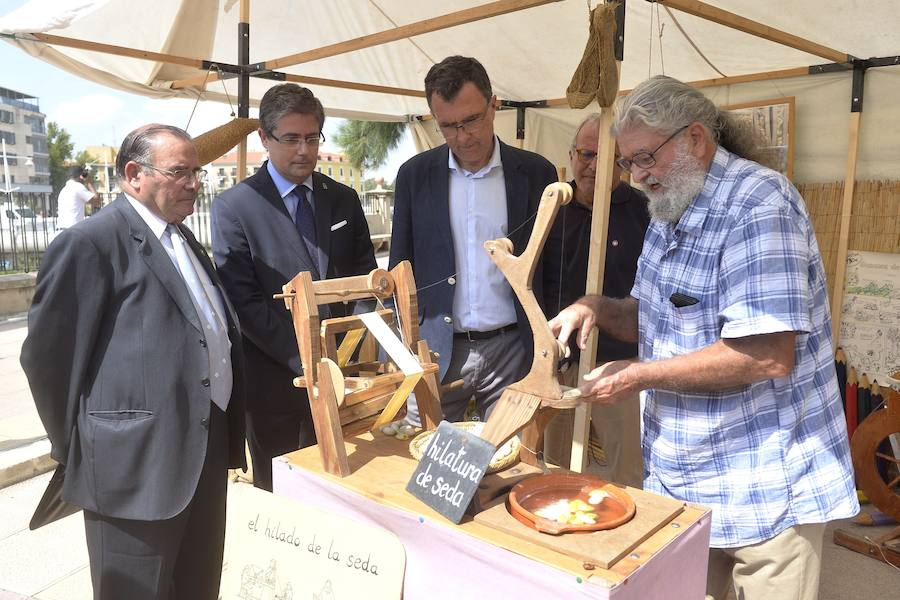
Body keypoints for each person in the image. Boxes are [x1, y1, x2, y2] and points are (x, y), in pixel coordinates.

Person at [550, 75, 859, 600]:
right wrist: (595, 308)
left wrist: (638, 375)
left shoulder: (760, 206)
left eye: (646, 158)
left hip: (766, 492)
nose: (638, 176)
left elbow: (766, 356)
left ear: (695, 138)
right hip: (688, 485)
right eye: (630, 163)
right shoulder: (671, 205)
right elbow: (649, 316)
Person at [21, 124, 246, 599]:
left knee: (197, 586)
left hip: (201, 454)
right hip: (133, 471)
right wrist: (85, 447)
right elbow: (48, 360)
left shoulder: (183, 238)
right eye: (180, 171)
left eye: (197, 172)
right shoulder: (90, 243)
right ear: (133, 174)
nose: (194, 183)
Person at [211, 83, 376, 492]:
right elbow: (243, 303)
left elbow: (364, 276)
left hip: (345, 379)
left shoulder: (343, 199)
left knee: (347, 490)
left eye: (311, 138)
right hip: (275, 384)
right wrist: (306, 358)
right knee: (285, 497)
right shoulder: (235, 207)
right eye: (291, 139)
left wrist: (347, 350)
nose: (303, 150)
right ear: (265, 139)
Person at [389, 55, 558, 425]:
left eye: (471, 120)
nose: (462, 137)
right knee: (429, 467)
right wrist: (403, 346)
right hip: (435, 352)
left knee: (511, 464)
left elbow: (553, 268)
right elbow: (399, 268)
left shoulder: (535, 173)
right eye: (447, 126)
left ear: (493, 105)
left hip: (514, 350)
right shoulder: (414, 176)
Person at [541, 113, 649, 487]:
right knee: (556, 469)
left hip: (619, 366)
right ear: (572, 155)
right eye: (587, 154)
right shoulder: (552, 210)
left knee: (623, 475)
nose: (595, 166)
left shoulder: (643, 213)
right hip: (562, 365)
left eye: (610, 158)